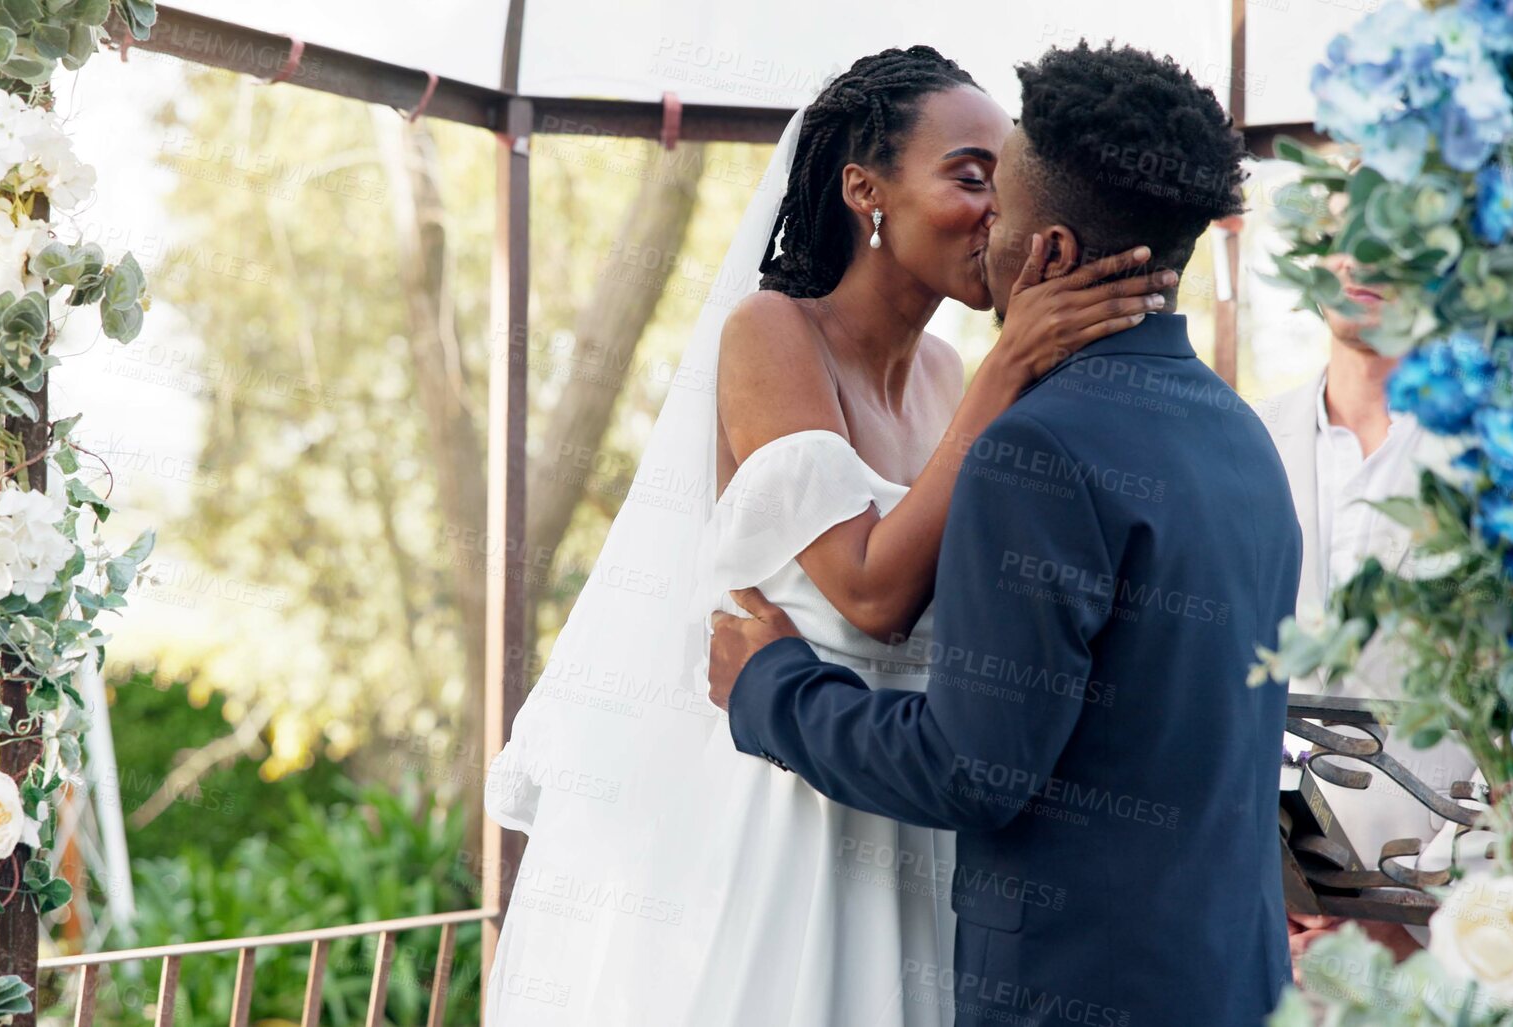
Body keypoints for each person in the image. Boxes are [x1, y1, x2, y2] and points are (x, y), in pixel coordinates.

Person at [484, 45, 1166, 1027]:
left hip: (915, 814)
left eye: (1006, 184)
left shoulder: (950, 373)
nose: (995, 212)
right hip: (785, 823)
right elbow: (872, 593)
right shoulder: (773, 335)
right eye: (969, 177)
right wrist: (1011, 363)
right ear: (865, 191)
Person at [708, 42, 1295, 1027]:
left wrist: (769, 684)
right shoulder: (1244, 437)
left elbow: (972, 765)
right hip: (1227, 981)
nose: (987, 223)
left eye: (1001, 191)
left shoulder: (1039, 451)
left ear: (1052, 252)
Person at [1255, 246, 1513, 967]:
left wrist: (1421, 921)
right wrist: (1258, 888)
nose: (1359, 255)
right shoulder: (1240, 436)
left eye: (1384, 220)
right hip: (1257, 938)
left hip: (1448, 948)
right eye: (1339, 227)